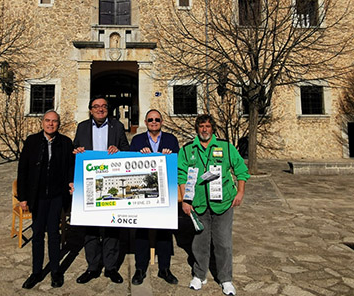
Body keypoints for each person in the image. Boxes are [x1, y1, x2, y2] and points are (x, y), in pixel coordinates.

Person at [178, 114, 250, 296]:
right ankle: (199, 275)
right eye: (201, 126)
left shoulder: (225, 147)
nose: (204, 129)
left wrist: (240, 192)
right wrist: (186, 200)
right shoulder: (187, 150)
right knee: (199, 242)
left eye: (208, 126)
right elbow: (181, 176)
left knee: (223, 243)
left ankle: (226, 279)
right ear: (197, 128)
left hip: (223, 204)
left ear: (213, 129)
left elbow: (241, 169)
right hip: (199, 204)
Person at [73, 95, 129, 284]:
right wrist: (78, 151)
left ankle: (111, 267)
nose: (100, 109)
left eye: (104, 106)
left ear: (108, 109)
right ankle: (93, 267)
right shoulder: (81, 127)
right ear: (90, 110)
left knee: (112, 226)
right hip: (89, 184)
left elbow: (126, 150)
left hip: (111, 183)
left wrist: (118, 150)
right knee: (91, 227)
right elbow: (75, 150)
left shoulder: (117, 126)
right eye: (96, 106)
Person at [17, 110, 74, 289]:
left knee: (54, 235)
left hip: (56, 196)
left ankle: (56, 271)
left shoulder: (65, 142)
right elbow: (23, 170)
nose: (51, 124)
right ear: (42, 122)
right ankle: (36, 272)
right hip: (37, 197)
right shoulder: (32, 142)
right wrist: (23, 197)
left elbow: (70, 167)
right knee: (38, 235)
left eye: (54, 121)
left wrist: (71, 183)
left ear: (59, 124)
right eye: (48, 121)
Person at [129, 109, 180, 285]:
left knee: (165, 231)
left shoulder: (171, 140)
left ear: (162, 121)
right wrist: (137, 155)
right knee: (142, 232)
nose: (153, 122)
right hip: (143, 193)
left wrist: (170, 156)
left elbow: (177, 162)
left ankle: (164, 269)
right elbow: (128, 167)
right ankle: (140, 269)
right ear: (145, 121)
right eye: (150, 119)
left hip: (165, 192)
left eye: (157, 119)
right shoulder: (136, 140)